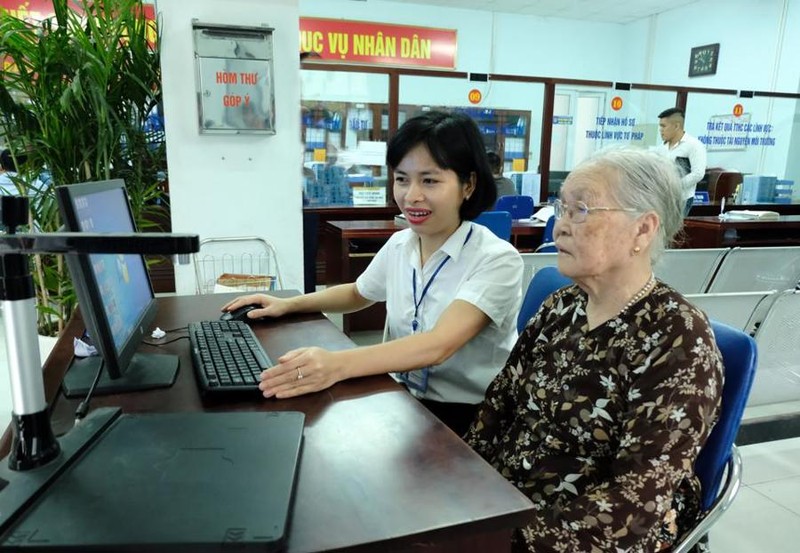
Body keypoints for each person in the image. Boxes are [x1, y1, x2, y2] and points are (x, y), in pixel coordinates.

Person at [465, 146, 723, 552]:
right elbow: (498, 407)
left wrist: (502, 541)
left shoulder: (679, 338)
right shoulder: (562, 305)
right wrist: (458, 490)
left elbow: (637, 499)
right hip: (506, 501)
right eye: (561, 208)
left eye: (581, 210)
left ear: (643, 229)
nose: (560, 227)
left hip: (596, 533)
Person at [223, 111, 523, 435]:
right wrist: (288, 303)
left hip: (470, 418)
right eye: (402, 178)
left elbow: (438, 345)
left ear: (468, 185)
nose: (411, 196)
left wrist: (336, 364)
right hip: (404, 398)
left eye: (430, 180)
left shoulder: (496, 259)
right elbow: (358, 293)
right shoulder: (401, 244)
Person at [658, 107, 707, 216]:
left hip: (682, 199)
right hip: (663, 198)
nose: (660, 130)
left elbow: (698, 173)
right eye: (660, 126)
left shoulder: (694, 145)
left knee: (673, 232)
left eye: (663, 126)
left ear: (676, 126)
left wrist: (676, 186)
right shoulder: (662, 147)